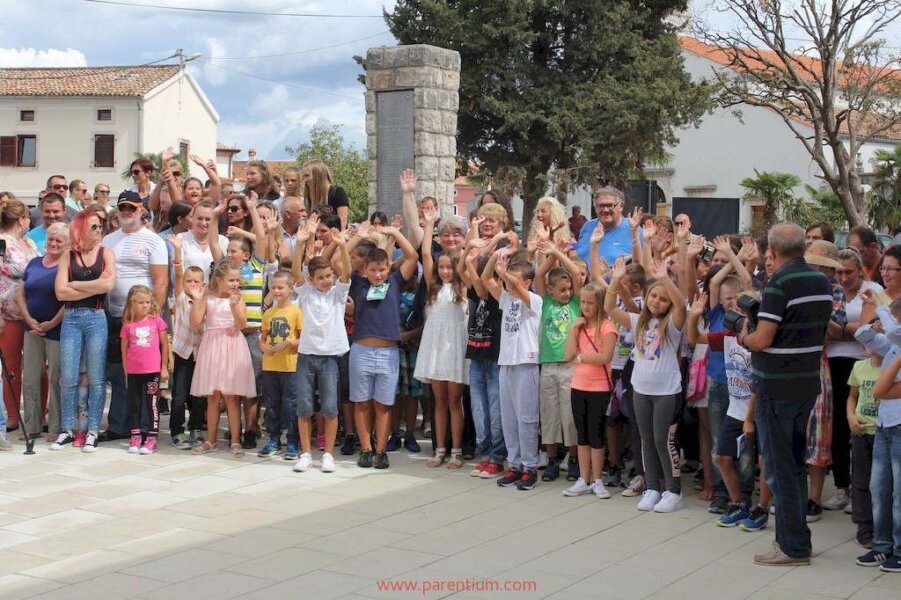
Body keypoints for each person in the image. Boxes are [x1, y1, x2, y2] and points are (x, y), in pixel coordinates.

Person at [740, 223, 832, 567]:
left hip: (776, 386)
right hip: (806, 383)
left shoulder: (779, 283)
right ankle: (797, 540)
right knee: (794, 465)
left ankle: (791, 546)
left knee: (780, 469)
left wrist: (744, 336)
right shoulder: (821, 281)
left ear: (773, 251)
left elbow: (762, 339)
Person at [605, 257, 687, 513]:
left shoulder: (672, 325)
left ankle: (673, 491)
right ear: (646, 296)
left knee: (663, 441)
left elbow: (681, 305)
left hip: (666, 392)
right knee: (647, 440)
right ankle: (652, 487)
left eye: (663, 299)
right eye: (654, 296)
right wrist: (615, 281)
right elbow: (609, 307)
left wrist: (663, 278)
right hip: (640, 389)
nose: (657, 302)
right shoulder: (638, 320)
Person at [345, 223, 418, 469]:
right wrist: (358, 237)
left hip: (388, 353)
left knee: (383, 404)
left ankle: (381, 450)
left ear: (388, 268)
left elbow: (412, 256)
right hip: (361, 351)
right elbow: (341, 259)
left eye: (382, 269)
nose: (378, 275)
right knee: (362, 402)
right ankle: (365, 448)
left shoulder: (394, 282)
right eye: (373, 270)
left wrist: (395, 233)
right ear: (365, 269)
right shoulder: (358, 283)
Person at [100, 191, 168, 442]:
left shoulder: (154, 241)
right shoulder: (108, 240)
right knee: (119, 374)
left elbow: (161, 282)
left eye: (131, 207)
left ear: (141, 210)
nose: (126, 212)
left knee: (145, 374)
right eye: (122, 208)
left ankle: (146, 427)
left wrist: (152, 316)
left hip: (143, 319)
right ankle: (119, 426)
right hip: (115, 315)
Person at [688, 291, 758, 527]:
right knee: (722, 457)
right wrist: (694, 315)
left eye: (742, 313)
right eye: (734, 312)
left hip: (755, 411)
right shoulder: (727, 337)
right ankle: (738, 503)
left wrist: (749, 418)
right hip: (735, 410)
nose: (736, 318)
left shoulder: (759, 342)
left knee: (754, 460)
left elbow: (758, 384)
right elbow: (694, 337)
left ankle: (759, 505)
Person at [291, 222, 353, 473]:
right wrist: (299, 244)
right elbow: (296, 272)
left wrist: (342, 246)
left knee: (329, 407)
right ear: (311, 279)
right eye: (321, 277)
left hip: (330, 357)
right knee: (305, 407)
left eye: (329, 276)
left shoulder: (338, 294)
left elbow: (347, 272)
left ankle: (328, 454)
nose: (326, 281)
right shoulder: (306, 293)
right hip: (307, 355)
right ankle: (306, 453)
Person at [52, 210, 116, 452]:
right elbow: (60, 293)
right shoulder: (68, 256)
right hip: (71, 317)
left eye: (100, 226)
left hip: (96, 317)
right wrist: (94, 286)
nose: (99, 231)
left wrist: (76, 284)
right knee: (68, 376)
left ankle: (92, 430)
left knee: (97, 377)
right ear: (80, 229)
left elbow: (108, 285)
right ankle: (67, 429)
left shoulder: (106, 253)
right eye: (94, 227)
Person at [481, 248, 543, 491]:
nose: (507, 283)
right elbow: (486, 279)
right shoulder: (507, 299)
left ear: (527, 282)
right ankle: (514, 464)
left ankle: (530, 467)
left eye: (513, 280)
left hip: (525, 365)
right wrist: (494, 261)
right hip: (506, 364)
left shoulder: (534, 300)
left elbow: (515, 286)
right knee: (508, 420)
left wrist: (505, 275)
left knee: (526, 419)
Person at [415, 205, 470, 469]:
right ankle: (439, 450)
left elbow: (468, 255)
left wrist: (472, 232)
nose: (446, 271)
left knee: (455, 402)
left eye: (450, 268)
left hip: (455, 348)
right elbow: (426, 253)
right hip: (435, 349)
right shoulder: (433, 287)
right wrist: (428, 226)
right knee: (439, 402)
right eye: (442, 267)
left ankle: (456, 450)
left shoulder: (464, 287)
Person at [190, 261, 257, 456]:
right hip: (212, 346)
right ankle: (210, 440)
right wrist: (197, 300)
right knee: (213, 396)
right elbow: (195, 323)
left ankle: (236, 440)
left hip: (232, 346)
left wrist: (235, 305)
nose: (235, 284)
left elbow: (242, 323)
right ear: (219, 280)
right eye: (231, 280)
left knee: (232, 397)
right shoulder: (207, 298)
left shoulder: (237, 298)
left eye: (237, 280)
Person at [561, 282, 617, 498]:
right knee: (582, 434)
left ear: (600, 304)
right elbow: (567, 355)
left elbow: (605, 356)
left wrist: (581, 357)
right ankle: (583, 479)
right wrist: (573, 329)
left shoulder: (607, 327)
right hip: (578, 386)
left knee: (596, 434)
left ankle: (597, 479)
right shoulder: (579, 326)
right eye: (583, 302)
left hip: (599, 388)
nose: (585, 306)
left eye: (590, 303)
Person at [535, 241, 583, 482]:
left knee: (569, 415)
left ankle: (573, 459)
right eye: (562, 290)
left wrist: (558, 253)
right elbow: (539, 275)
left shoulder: (575, 303)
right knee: (549, 415)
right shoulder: (544, 302)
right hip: (548, 365)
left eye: (568, 289)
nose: (567, 293)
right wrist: (550, 257)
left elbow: (577, 275)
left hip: (569, 366)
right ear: (550, 290)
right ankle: (552, 459)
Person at [16, 222, 66, 441]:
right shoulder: (34, 263)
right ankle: (32, 426)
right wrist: (29, 319)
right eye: (51, 239)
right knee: (30, 378)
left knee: (56, 379)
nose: (53, 244)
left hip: (57, 331)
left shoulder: (67, 266)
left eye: (59, 240)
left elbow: (68, 301)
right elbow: (20, 294)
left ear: (67, 244)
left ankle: (56, 427)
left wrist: (52, 323)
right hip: (32, 329)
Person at [0, 196, 39, 431]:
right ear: (21, 219)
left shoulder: (30, 243)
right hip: (9, 315)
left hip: (34, 313)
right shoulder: (1, 242)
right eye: (28, 218)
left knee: (38, 367)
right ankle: (13, 415)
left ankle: (39, 414)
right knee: (12, 368)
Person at [258, 271, 303, 466]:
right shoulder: (268, 313)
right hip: (270, 366)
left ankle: (292, 441)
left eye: (280, 287)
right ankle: (273, 439)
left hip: (290, 366)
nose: (276, 291)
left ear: (291, 289)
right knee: (272, 404)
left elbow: (303, 339)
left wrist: (289, 343)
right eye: (273, 287)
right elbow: (262, 339)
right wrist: (264, 347)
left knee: (291, 405)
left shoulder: (296, 311)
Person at [864, 350, 901, 573]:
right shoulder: (893, 344)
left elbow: (879, 390)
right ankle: (882, 545)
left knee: (899, 495)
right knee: (878, 489)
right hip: (885, 423)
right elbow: (866, 336)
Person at [120, 286, 168, 454]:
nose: (145, 305)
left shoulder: (157, 321)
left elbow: (165, 345)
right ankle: (135, 436)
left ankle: (152, 438)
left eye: (147, 302)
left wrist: (164, 367)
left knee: (152, 404)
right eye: (141, 302)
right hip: (134, 372)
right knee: (134, 404)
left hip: (152, 371)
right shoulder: (127, 325)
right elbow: (124, 351)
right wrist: (126, 373)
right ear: (133, 304)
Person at [846, 344, 884, 549]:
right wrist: (851, 416)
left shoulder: (892, 368)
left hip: (883, 433)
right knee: (860, 480)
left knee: (881, 483)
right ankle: (864, 527)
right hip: (861, 432)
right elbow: (852, 396)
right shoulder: (859, 366)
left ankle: (882, 524)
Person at [575, 186, 642, 266]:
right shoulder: (587, 226)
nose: (605, 210)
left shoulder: (634, 230)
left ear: (621, 206)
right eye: (601, 206)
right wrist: (571, 245)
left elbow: (642, 264)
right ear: (595, 207)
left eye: (610, 205)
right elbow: (580, 248)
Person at [176, 200, 227, 283]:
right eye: (200, 218)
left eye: (208, 219)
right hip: (189, 289)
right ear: (193, 219)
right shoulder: (181, 238)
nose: (203, 223)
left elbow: (224, 270)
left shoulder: (223, 241)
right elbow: (179, 272)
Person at [303, 159, 349, 230]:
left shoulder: (337, 192)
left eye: (307, 175)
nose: (305, 179)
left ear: (317, 175)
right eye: (304, 176)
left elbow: (342, 223)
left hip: (335, 235)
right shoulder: (310, 196)